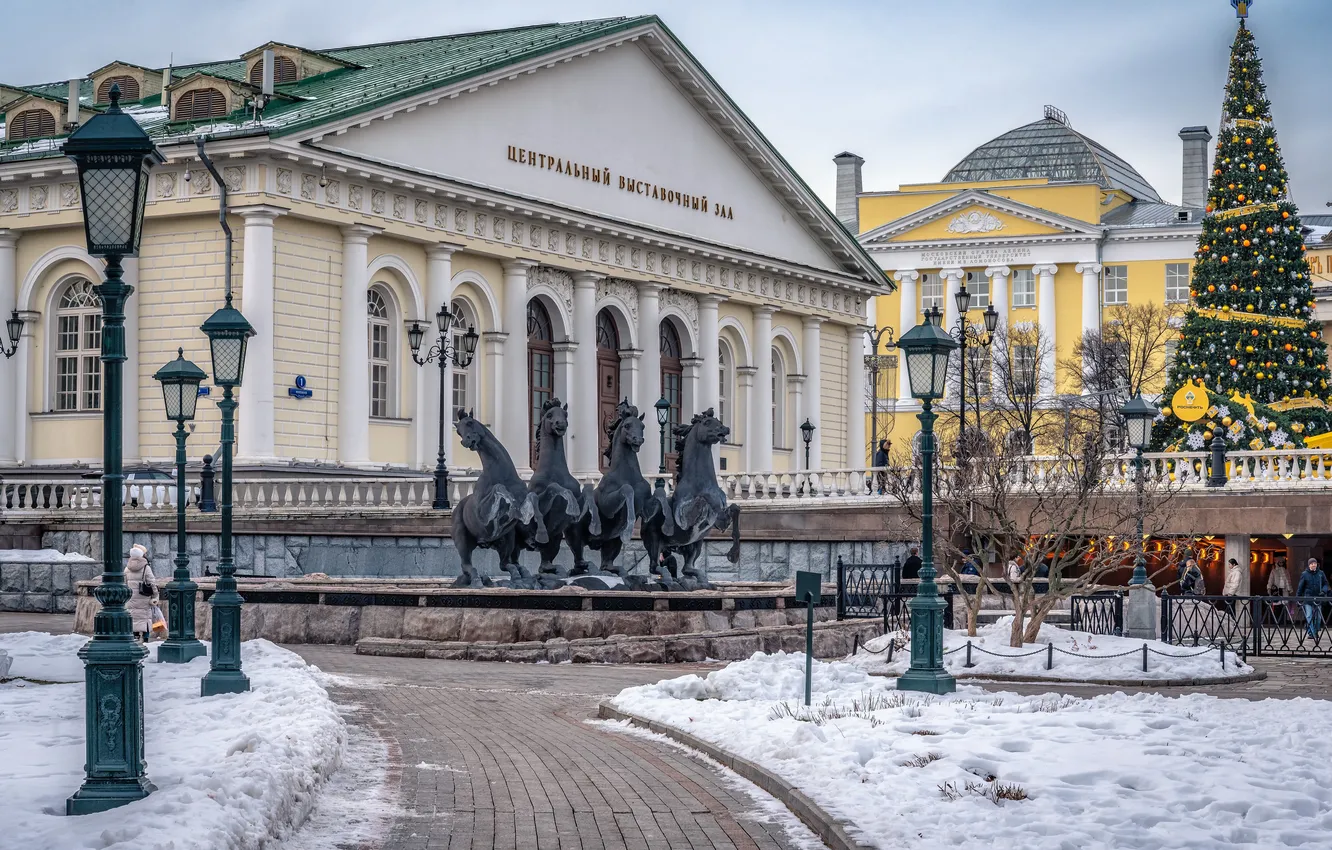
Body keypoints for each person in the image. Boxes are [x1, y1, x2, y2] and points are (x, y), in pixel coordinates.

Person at [123, 544, 159, 643]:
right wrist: (155, 595)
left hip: (131, 597)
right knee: (145, 616)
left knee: (133, 616)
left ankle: (135, 636)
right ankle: (146, 637)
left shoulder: (127, 568)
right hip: (144, 596)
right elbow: (152, 583)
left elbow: (124, 584)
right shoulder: (146, 568)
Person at [1296, 558, 1330, 641]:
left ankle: (1315, 631)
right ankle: (1311, 633)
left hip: (1319, 598)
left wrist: (1323, 591)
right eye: (1312, 564)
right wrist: (1298, 598)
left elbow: (1326, 584)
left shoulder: (1321, 573)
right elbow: (1300, 587)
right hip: (1308, 598)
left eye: (1314, 563)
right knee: (1309, 616)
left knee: (1318, 617)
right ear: (1309, 565)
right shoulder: (1304, 574)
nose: (1313, 565)